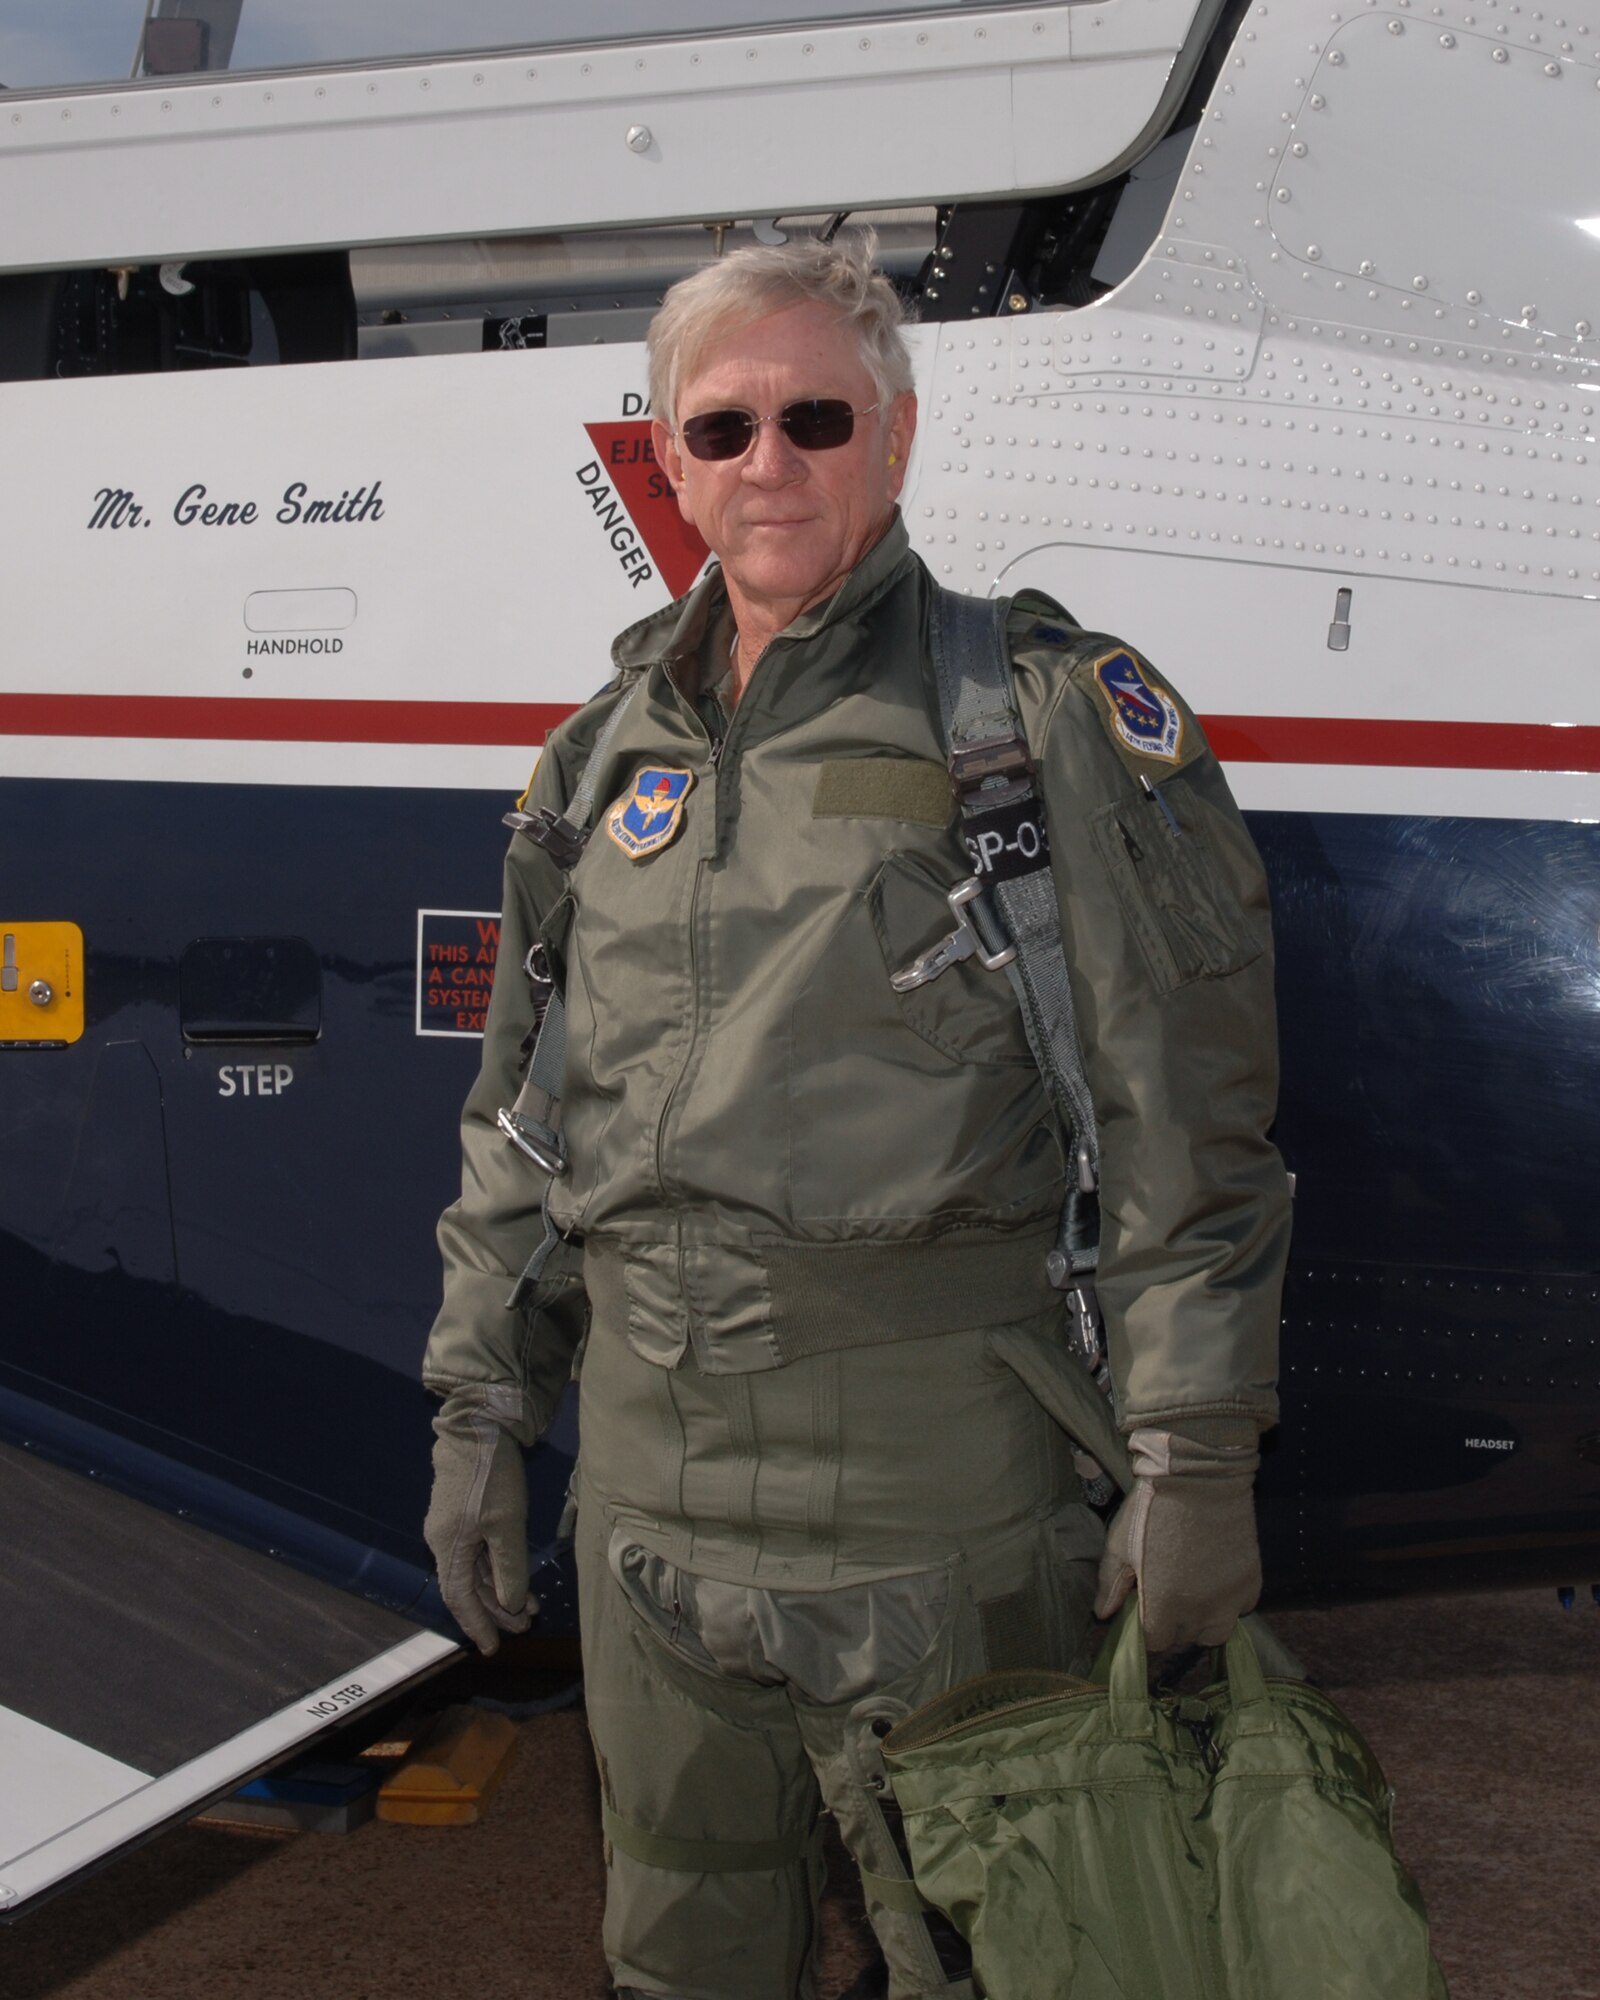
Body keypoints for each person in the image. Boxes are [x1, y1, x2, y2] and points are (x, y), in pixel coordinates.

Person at [421, 235, 1291, 2000]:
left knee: (1005, 1956)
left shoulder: (1032, 719)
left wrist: (1195, 1459)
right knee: (679, 1951)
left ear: (894, 438)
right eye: (722, 428)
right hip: (652, 1500)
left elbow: (1189, 1138)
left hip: (941, 1497)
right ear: (667, 460)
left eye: (817, 417)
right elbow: (522, 1121)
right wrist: (479, 1403)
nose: (770, 464)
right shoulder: (600, 758)